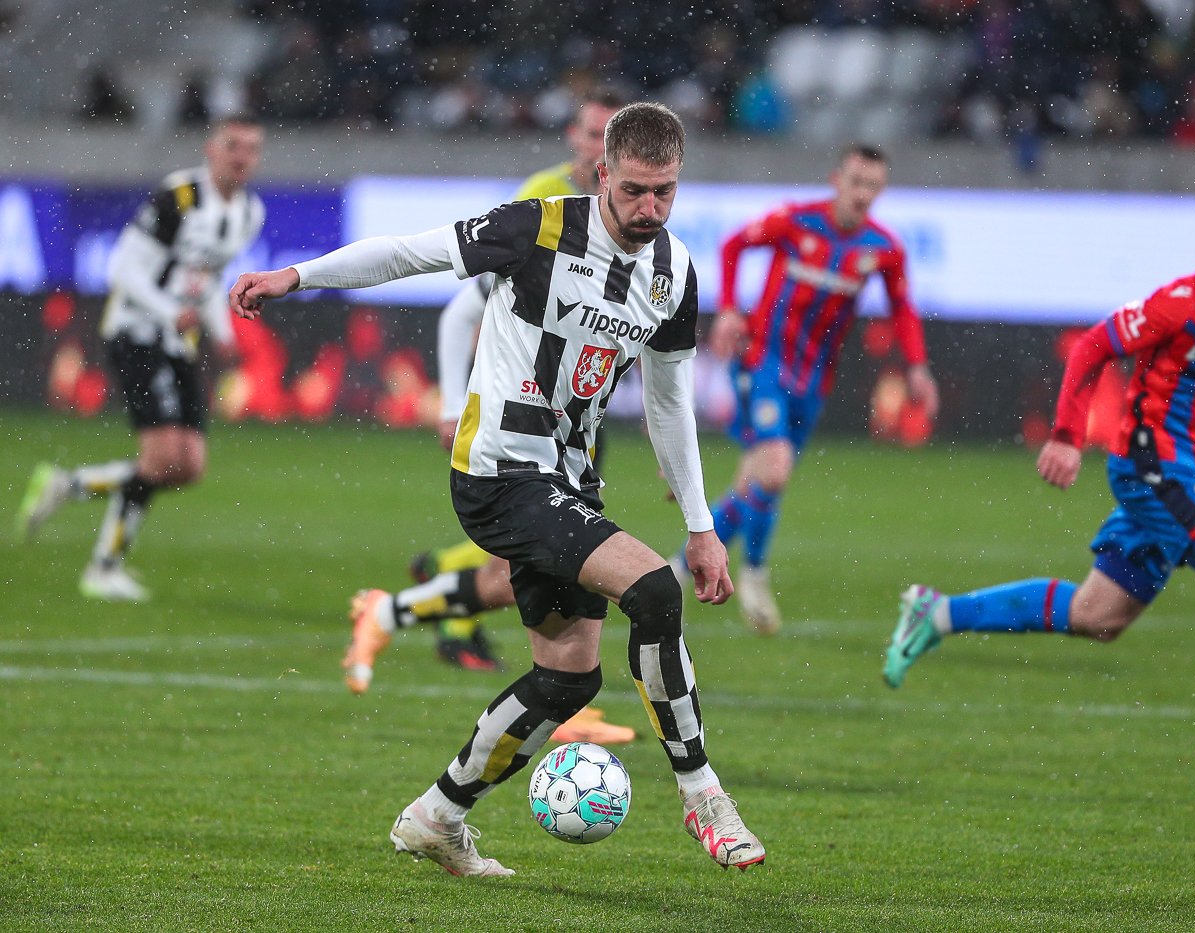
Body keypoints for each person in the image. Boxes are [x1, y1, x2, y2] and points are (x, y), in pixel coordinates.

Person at [229, 102, 766, 875]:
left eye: (666, 192)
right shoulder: (538, 228)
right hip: (500, 470)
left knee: (569, 675)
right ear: (603, 174)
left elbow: (669, 400)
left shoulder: (675, 272)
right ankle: (703, 796)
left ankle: (436, 816)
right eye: (635, 189)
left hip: (569, 479)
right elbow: (408, 255)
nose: (650, 208)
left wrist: (701, 522)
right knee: (654, 590)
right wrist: (297, 276)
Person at [884, 183, 1195, 794]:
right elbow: (1094, 346)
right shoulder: (1186, 302)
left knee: (1097, 615)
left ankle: (938, 613)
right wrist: (1065, 435)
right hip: (1150, 464)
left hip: (1192, 470)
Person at [349, 88, 635, 748]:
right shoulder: (545, 203)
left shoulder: (630, 220)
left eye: (612, 137)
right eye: (592, 133)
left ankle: (396, 610)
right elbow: (463, 306)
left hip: (576, 423)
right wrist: (454, 403)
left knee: (542, 565)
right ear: (574, 138)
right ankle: (560, 694)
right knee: (570, 560)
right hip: (522, 418)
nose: (600, 148)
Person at [690, 144, 938, 634]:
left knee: (754, 483)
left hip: (814, 379)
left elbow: (903, 308)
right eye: (856, 182)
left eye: (873, 186)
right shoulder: (795, 221)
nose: (863, 193)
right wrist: (730, 309)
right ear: (836, 179)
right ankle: (754, 575)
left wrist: (917, 366)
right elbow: (733, 245)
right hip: (763, 362)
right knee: (774, 470)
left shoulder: (882, 248)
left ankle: (683, 562)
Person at [17, 115, 266, 601]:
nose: (242, 157)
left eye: (251, 148)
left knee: (188, 466)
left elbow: (208, 279)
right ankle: (103, 567)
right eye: (233, 145)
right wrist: (169, 311)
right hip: (136, 331)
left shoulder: (249, 213)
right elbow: (124, 269)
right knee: (161, 458)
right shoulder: (179, 197)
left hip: (177, 341)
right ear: (211, 148)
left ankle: (70, 486)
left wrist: (222, 333)